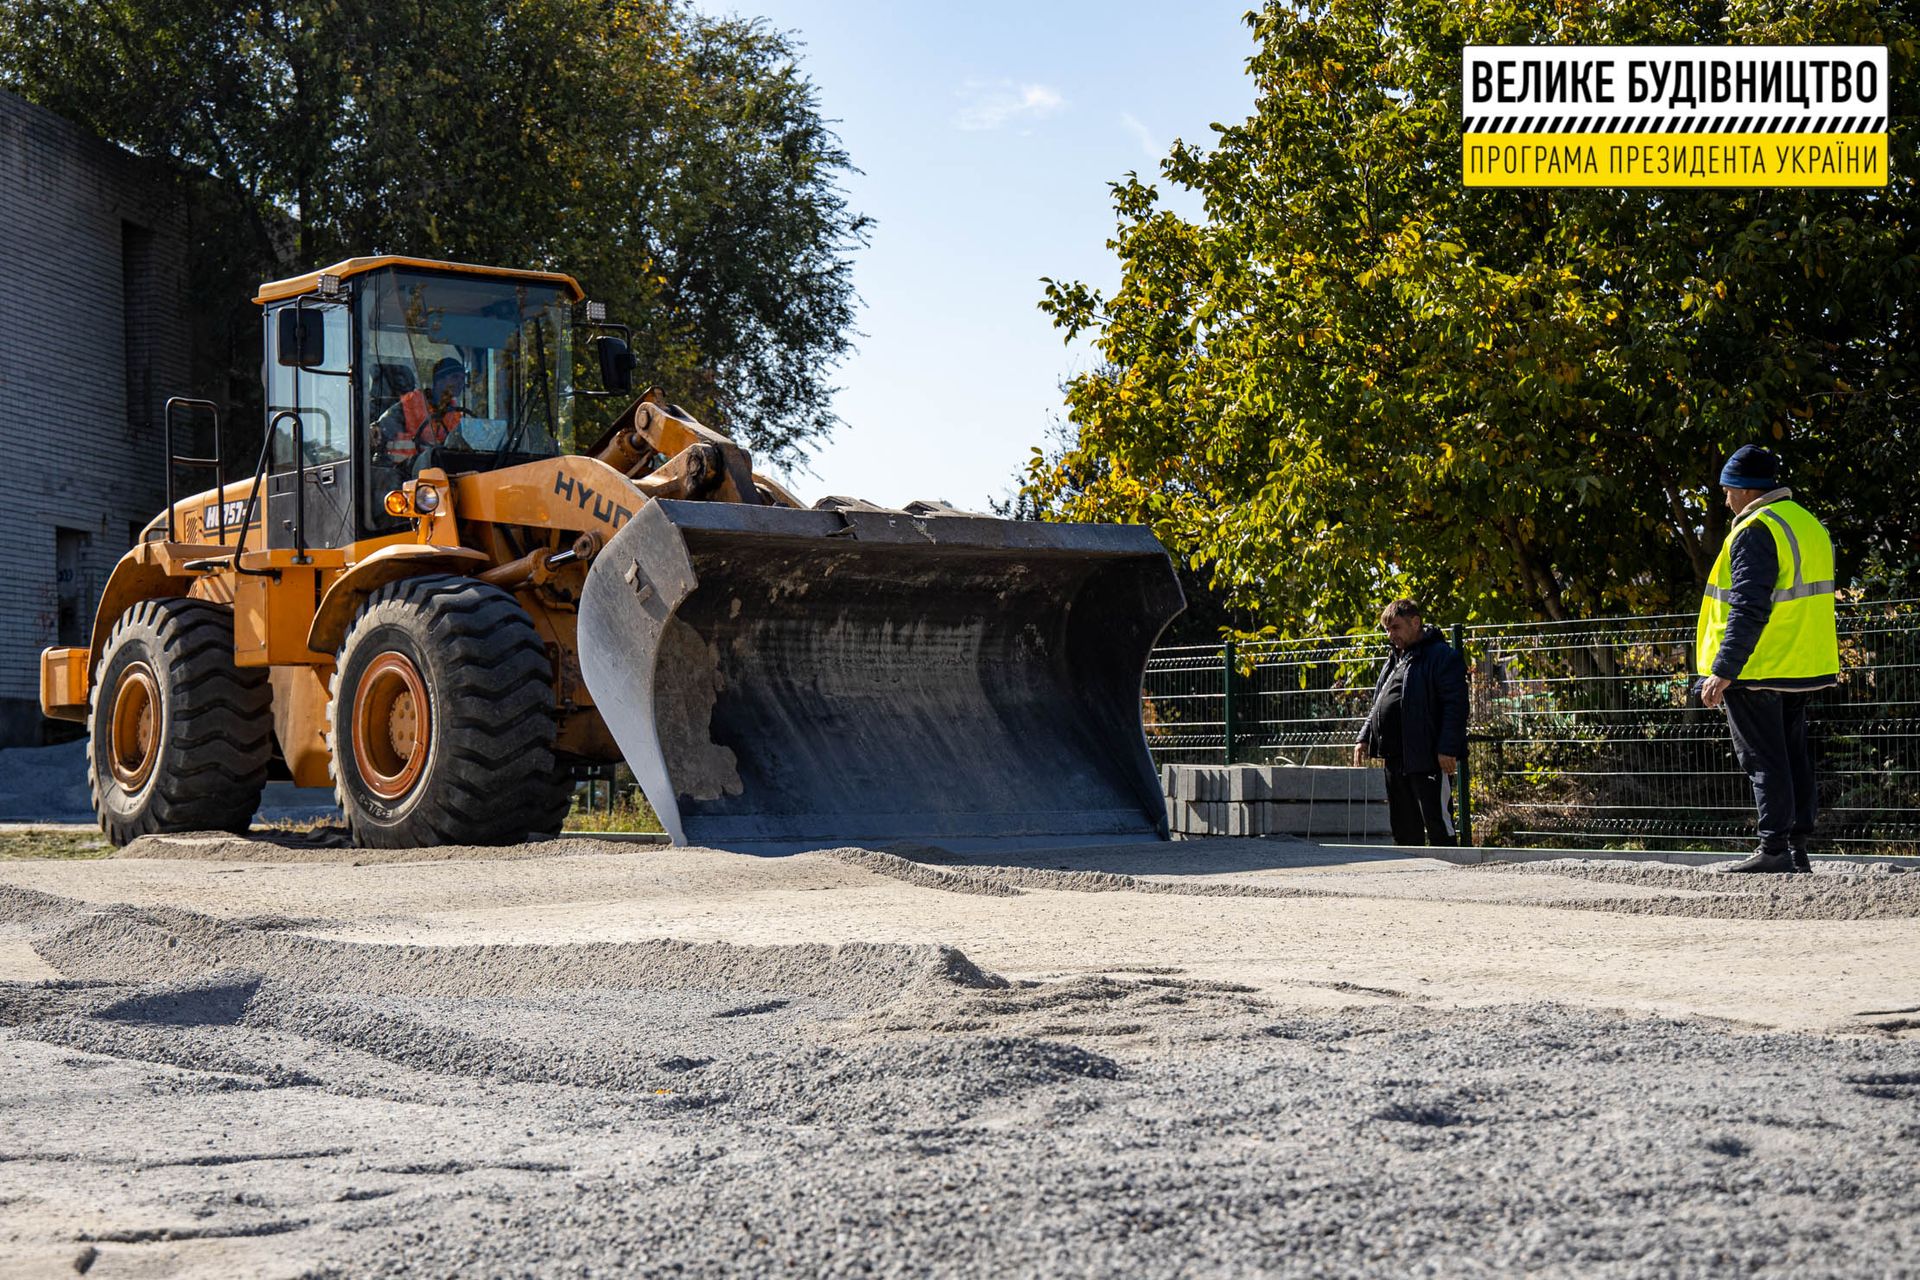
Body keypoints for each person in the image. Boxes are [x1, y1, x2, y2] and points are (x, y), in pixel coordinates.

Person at [1695, 445, 1840, 874]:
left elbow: (1748, 607)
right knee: (1794, 755)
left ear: (1744, 489)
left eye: (1727, 490)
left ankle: (1773, 848)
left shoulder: (1757, 529)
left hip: (1758, 666)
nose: (1725, 500)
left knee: (1763, 758)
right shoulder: (1808, 524)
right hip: (1802, 663)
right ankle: (1795, 848)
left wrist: (1723, 669)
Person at [1352, 599, 1469, 846]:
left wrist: (1447, 748)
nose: (1390, 635)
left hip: (1428, 758)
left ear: (1415, 622)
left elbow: (1455, 706)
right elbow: (1380, 699)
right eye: (1387, 630)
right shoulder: (1396, 658)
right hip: (1395, 758)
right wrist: (1364, 736)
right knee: (1403, 827)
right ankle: (1411, 878)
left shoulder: (1442, 657)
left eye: (1395, 627)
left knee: (1437, 823)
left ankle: (1453, 876)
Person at [373, 356, 469, 472]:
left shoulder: (457, 415)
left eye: (463, 379)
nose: (460, 383)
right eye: (455, 377)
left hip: (441, 475)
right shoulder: (408, 406)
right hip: (402, 476)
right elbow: (377, 434)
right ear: (439, 380)